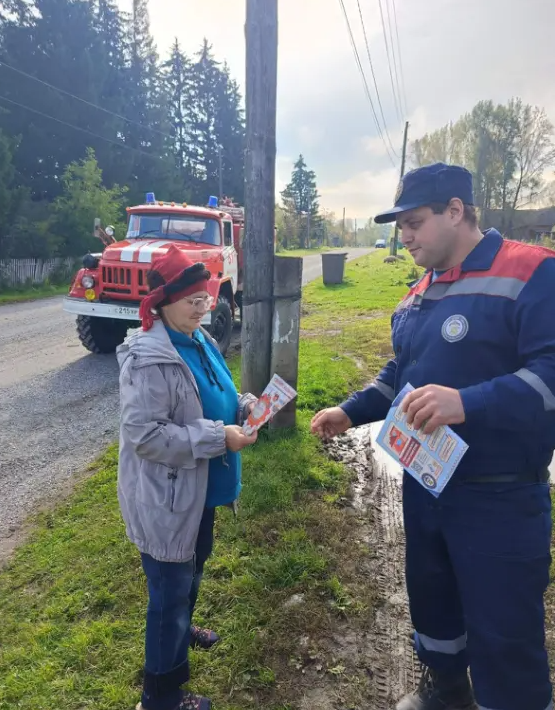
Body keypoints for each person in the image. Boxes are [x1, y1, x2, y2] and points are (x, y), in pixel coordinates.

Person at [311, 163, 555, 710]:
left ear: (455, 210)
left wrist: (467, 403)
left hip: (500, 495)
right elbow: (402, 372)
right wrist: (350, 411)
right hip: (427, 483)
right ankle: (445, 691)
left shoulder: (533, 272)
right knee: (433, 601)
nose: (406, 237)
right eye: (400, 226)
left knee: (504, 630)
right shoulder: (418, 290)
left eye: (415, 222)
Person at [117, 244, 258, 710]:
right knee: (168, 594)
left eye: (207, 298)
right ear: (162, 302)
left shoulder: (199, 338)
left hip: (199, 494)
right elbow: (146, 436)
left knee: (191, 570)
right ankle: (160, 697)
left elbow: (218, 394)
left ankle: (184, 624)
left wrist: (244, 406)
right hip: (168, 500)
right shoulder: (148, 358)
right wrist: (220, 437)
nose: (204, 307)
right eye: (193, 300)